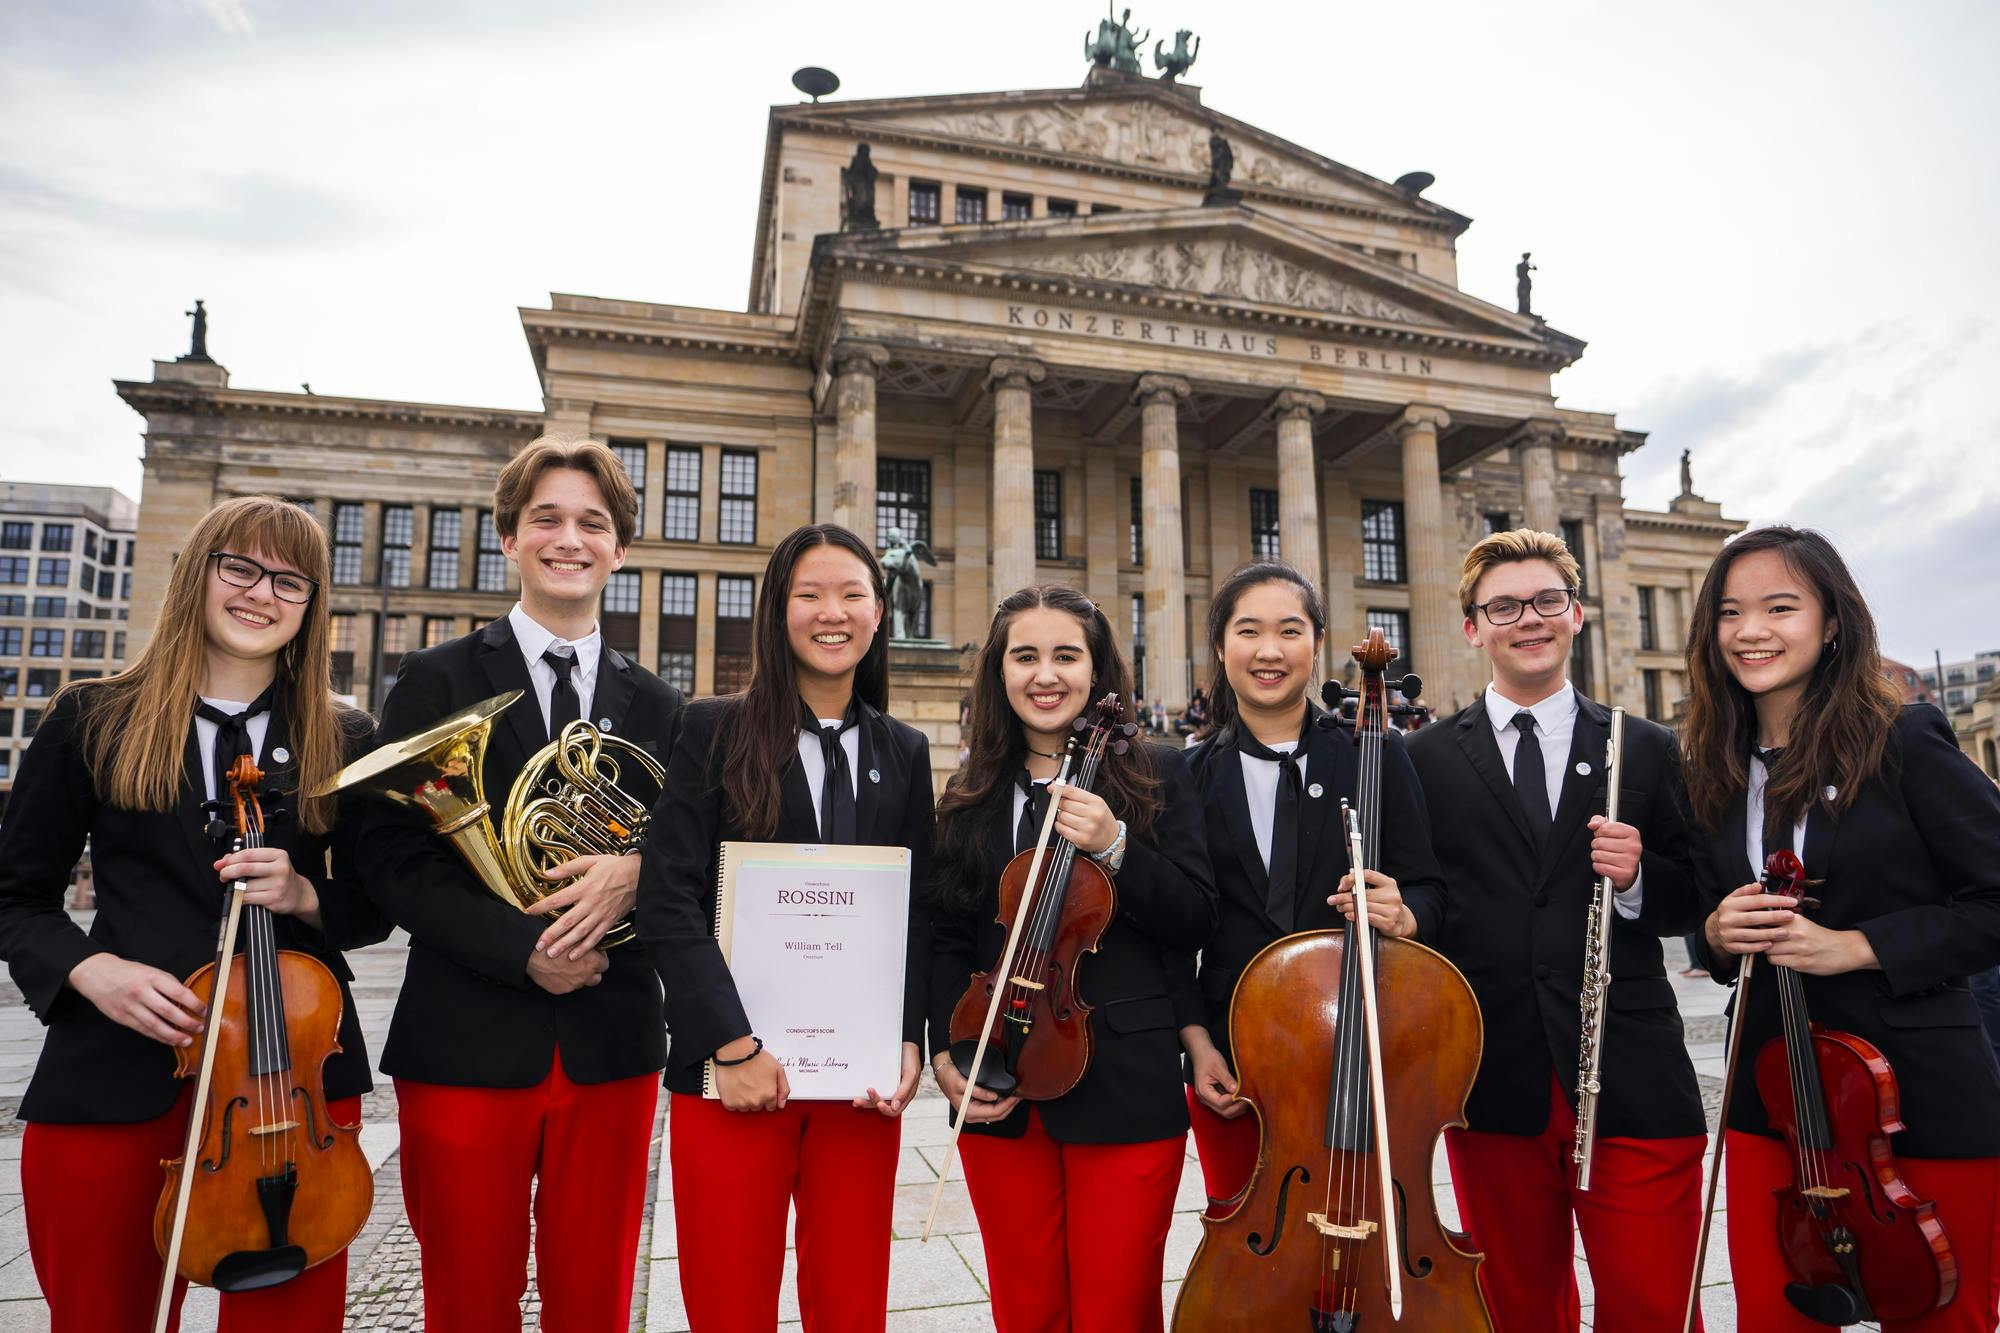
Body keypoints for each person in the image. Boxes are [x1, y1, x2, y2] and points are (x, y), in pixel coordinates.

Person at [0, 496, 385, 1332]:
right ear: (198, 575)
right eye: (239, 567)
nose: (262, 593)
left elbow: (374, 903)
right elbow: (16, 895)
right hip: (116, 1071)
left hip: (293, 1089)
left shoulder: (344, 736)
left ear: (313, 605)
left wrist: (305, 893)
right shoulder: (94, 717)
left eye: (290, 579)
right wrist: (89, 970)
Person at [353, 436, 683, 1332]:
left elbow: (693, 861)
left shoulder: (660, 705)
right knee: (466, 1298)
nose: (568, 538)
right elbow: (389, 857)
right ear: (509, 537)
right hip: (465, 1037)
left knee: (595, 1300)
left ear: (620, 549)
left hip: (610, 1041)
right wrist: (521, 949)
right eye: (546, 519)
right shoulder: (435, 678)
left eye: (592, 523)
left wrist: (640, 870)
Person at [1685, 525, 2000, 1333]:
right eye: (1730, 612)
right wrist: (1719, 932)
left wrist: (1855, 946)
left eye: (1780, 607)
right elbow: (1706, 926)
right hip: (1771, 1096)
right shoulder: (1715, 764)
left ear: (1832, 623)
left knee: (1944, 1316)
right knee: (1771, 1313)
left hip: (1914, 1092)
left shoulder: (1905, 738)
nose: (1750, 630)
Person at [1404, 528, 1708, 1333]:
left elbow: (1695, 899)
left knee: (1653, 1304)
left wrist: (1641, 876)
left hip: (1630, 1074)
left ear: (1576, 614)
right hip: (1494, 1079)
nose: (1527, 619)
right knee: (1516, 1308)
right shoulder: (1424, 758)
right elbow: (1431, 898)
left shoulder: (1645, 748)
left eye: (1545, 601)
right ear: (1473, 627)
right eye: (1503, 606)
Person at [638, 523, 932, 1333]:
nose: (830, 613)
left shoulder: (903, 750)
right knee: (729, 1301)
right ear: (778, 611)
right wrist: (729, 1045)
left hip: (857, 1086)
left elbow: (917, 909)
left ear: (879, 612)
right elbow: (668, 899)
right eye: (809, 594)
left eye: (851, 594)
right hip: (731, 1075)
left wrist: (905, 1038)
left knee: (851, 1301)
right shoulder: (713, 728)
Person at [929, 584, 1215, 1333]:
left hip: (1124, 1080)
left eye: (1066, 655)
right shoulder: (970, 795)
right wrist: (944, 1053)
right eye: (1025, 655)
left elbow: (1194, 918)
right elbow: (946, 937)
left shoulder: (1157, 772)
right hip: (999, 1080)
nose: (1045, 674)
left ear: (1098, 672)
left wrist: (1117, 845)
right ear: (1000, 672)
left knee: (1116, 1306)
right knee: (1026, 1306)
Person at [1169, 560, 1446, 1213]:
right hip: (1233, 1058)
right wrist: (1197, 1040)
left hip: (1360, 1050)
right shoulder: (1187, 773)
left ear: (1317, 643)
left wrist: (1405, 913)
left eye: (1290, 630)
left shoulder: (1375, 749)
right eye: (1248, 631)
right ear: (1219, 646)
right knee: (1248, 1247)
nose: (1269, 651)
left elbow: (1432, 889)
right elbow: (1173, 931)